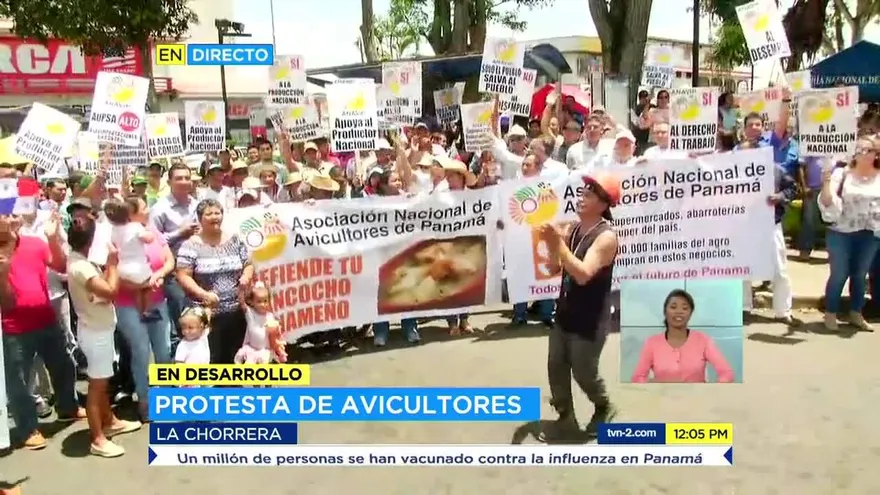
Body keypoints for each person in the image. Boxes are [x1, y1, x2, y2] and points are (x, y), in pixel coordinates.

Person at [535, 173, 620, 440]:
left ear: (604, 204)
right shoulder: (573, 229)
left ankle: (604, 406)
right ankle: (565, 416)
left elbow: (583, 274)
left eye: (590, 194)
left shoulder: (606, 237)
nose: (581, 198)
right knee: (556, 365)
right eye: (582, 193)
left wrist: (557, 244)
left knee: (584, 371)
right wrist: (551, 246)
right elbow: (555, 267)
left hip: (591, 317)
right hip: (565, 311)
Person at [1, 200, 84, 451]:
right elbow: (5, 302)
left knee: (63, 365)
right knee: (20, 382)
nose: (13, 218)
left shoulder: (34, 243)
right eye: (6, 214)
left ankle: (67, 407)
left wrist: (52, 239)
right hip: (14, 327)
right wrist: (3, 274)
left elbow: (60, 266)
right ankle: (28, 429)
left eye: (13, 213)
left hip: (47, 318)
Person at [66, 216, 141, 457]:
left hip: (101, 328)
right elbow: (110, 291)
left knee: (104, 380)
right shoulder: (82, 267)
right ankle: (97, 439)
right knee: (97, 387)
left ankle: (109, 421)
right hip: (95, 333)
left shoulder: (82, 260)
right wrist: (113, 263)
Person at [114, 195, 174, 420]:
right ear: (131, 213)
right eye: (144, 206)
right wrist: (138, 285)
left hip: (156, 300)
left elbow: (169, 260)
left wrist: (158, 275)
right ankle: (145, 399)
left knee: (163, 349)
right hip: (128, 304)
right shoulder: (119, 235)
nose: (148, 209)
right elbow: (111, 270)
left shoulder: (153, 231)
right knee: (141, 351)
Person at [175, 199, 254, 364]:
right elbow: (183, 275)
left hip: (235, 311)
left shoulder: (234, 240)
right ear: (200, 218)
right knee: (211, 359)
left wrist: (246, 276)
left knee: (235, 357)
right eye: (209, 214)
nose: (214, 217)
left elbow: (248, 264)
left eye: (217, 213)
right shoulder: (190, 245)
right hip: (206, 314)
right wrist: (203, 294)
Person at [818, 136, 880, 331]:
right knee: (839, 274)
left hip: (869, 233)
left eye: (868, 150)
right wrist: (826, 183)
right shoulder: (841, 173)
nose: (864, 153)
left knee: (860, 274)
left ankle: (855, 313)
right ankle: (830, 313)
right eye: (860, 149)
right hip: (841, 232)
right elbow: (827, 202)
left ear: (875, 153)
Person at [630, 289, 734, 383]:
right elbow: (637, 377)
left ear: (690, 313)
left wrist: (711, 393)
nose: (679, 312)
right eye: (673, 307)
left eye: (685, 308)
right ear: (665, 312)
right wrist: (651, 388)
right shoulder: (652, 343)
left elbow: (727, 373)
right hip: (662, 401)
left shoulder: (703, 340)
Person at [149, 163, 199, 351]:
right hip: (174, 272)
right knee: (182, 318)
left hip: (197, 267)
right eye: (179, 178)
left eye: (187, 177)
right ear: (169, 181)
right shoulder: (160, 209)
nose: (184, 182)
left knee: (198, 315)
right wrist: (179, 233)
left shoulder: (196, 204)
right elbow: (153, 241)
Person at [104, 198, 152, 315]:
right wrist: (150, 234)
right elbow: (147, 238)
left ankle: (139, 309)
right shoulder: (136, 226)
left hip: (123, 269)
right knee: (145, 288)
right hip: (139, 268)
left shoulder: (113, 230)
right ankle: (145, 309)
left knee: (137, 291)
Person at [235, 282, 285, 363]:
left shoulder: (270, 316)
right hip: (251, 350)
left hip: (265, 351)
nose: (263, 304)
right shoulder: (250, 314)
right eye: (259, 301)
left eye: (265, 301)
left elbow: (277, 333)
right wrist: (241, 289)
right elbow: (242, 303)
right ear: (252, 302)